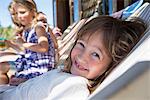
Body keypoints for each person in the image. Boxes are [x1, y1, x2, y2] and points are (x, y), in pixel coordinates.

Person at [0, 15, 146, 99]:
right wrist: (27, 84)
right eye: (81, 44)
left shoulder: (75, 87)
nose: (82, 58)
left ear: (111, 65)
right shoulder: (66, 74)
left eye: (95, 54)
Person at [0, 0, 55, 86]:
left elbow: (44, 48)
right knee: (1, 67)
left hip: (39, 66)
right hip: (28, 62)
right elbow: (26, 51)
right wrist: (11, 44)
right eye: (16, 13)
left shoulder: (39, 27)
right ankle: (4, 90)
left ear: (33, 12)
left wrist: (23, 43)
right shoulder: (26, 30)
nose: (19, 16)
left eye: (22, 12)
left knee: (13, 80)